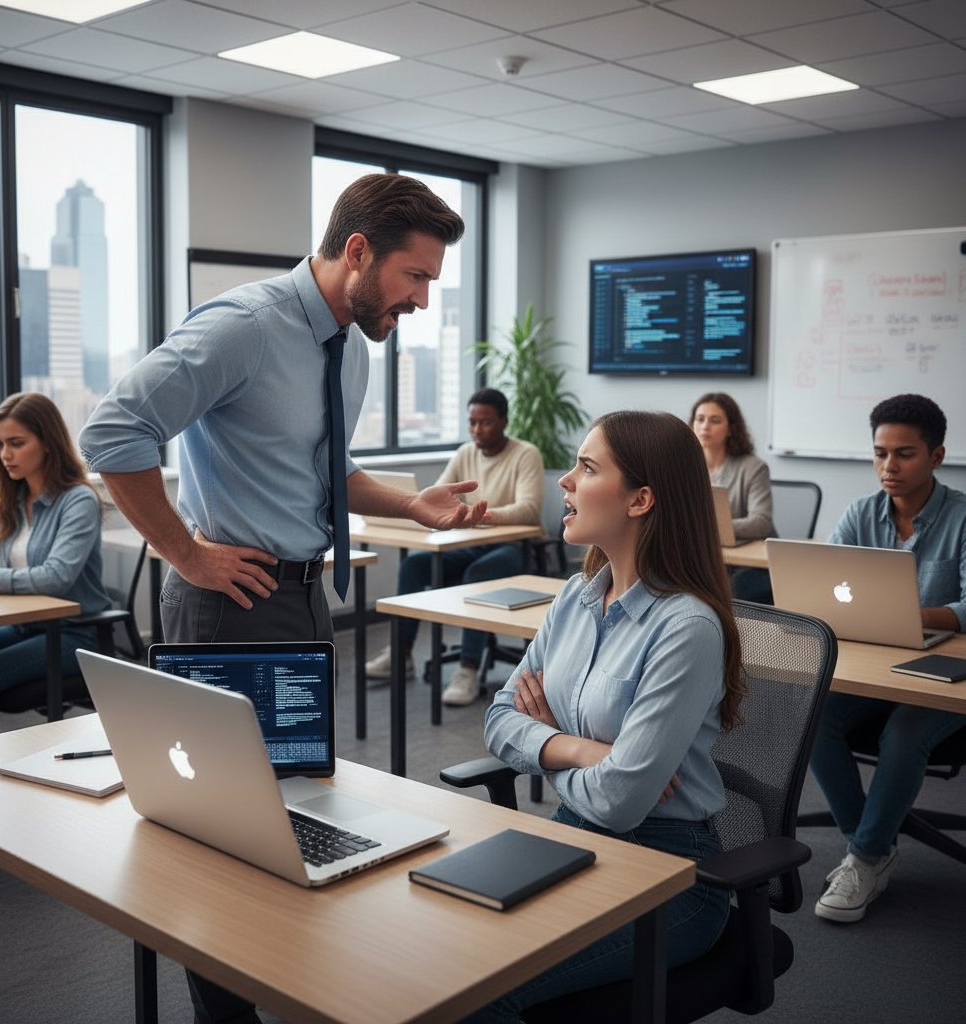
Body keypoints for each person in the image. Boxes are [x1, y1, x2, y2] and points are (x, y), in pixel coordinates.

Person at [79, 173, 484, 1024]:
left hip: (306, 601)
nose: (421, 300)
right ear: (359, 252)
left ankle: (285, 981)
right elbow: (114, 431)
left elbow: (321, 469)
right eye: (415, 278)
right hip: (229, 604)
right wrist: (183, 551)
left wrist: (410, 502)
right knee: (222, 823)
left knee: (297, 803)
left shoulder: (354, 345)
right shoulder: (246, 326)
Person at [470, 410, 746, 1022]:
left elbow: (624, 802)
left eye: (587, 468)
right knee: (439, 948)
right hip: (571, 837)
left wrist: (546, 742)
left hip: (672, 871)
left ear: (641, 499)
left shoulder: (686, 628)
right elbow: (495, 718)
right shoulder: (574, 597)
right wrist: (581, 750)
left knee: (478, 990)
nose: (563, 482)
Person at [810, 393, 965, 924]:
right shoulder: (859, 513)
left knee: (903, 734)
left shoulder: (963, 517)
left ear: (937, 456)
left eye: (904, 454)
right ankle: (870, 849)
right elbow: (824, 587)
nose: (888, 467)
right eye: (880, 453)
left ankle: (866, 856)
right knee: (815, 717)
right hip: (877, 662)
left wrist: (911, 613)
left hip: (949, 670)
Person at [0, 392, 110, 745]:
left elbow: (56, 576)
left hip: (74, 634)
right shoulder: (11, 498)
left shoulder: (78, 500)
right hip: (26, 628)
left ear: (48, 442)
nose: (5, 455)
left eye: (16, 443)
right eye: (0, 444)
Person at [364, 387, 543, 705]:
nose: (476, 430)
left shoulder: (525, 453)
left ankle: (468, 668)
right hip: (471, 542)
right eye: (472, 422)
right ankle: (401, 654)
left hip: (516, 547)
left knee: (478, 574)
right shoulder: (465, 453)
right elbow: (440, 493)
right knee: (413, 565)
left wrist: (478, 516)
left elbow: (528, 509)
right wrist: (451, 513)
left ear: (503, 421)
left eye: (485, 422)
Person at [689, 391, 775, 602]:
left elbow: (762, 522)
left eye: (715, 420)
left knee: (726, 593)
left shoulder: (753, 468)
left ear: (731, 428)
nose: (705, 426)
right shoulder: (686, 466)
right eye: (699, 419)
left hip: (746, 563)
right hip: (703, 557)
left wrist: (708, 528)